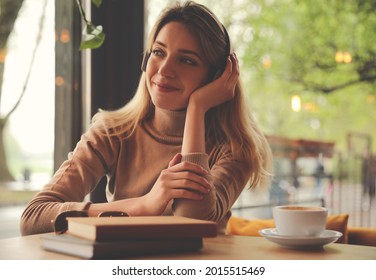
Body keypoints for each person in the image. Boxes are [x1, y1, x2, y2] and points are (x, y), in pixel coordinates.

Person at [20, 0, 272, 235]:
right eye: (159, 52)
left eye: (186, 60)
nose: (164, 70)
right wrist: (143, 205)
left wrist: (197, 109)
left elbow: (191, 223)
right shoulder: (112, 131)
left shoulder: (236, 147)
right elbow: (33, 217)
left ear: (217, 78)